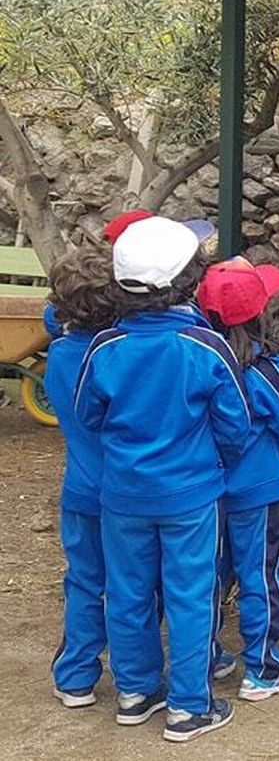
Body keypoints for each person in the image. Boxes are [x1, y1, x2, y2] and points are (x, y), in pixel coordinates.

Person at [75, 216, 252, 743]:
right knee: (192, 594)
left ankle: (134, 691)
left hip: (123, 494)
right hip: (191, 494)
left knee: (127, 590)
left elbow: (87, 415)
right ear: (188, 282)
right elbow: (235, 425)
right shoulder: (206, 346)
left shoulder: (104, 346)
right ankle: (190, 706)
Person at [196, 259, 279, 702]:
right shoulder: (265, 369)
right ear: (262, 313)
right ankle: (263, 666)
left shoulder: (200, 360)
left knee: (208, 576)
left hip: (207, 488)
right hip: (259, 488)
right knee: (261, 574)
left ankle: (205, 655)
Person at [43, 244, 119, 709]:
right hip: (123, 490)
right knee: (135, 585)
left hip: (79, 488)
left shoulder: (58, 353)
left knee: (85, 581)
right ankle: (139, 674)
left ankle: (75, 675)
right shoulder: (114, 355)